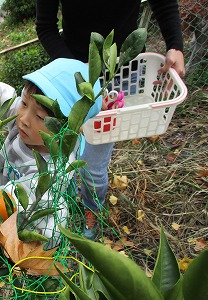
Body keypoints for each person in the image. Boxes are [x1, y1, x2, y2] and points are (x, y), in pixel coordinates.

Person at [36, 0, 186, 240]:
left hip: (122, 72)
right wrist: (76, 71)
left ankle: (91, 210)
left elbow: (164, 3)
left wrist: (175, 45)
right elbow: (45, 27)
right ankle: (62, 200)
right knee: (62, 150)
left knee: (93, 163)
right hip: (73, 72)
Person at [0, 58, 102, 248]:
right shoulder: (26, 122)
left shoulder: (52, 171)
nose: (24, 119)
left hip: (34, 231)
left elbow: (5, 201)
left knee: (21, 260)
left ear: (67, 130)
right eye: (24, 103)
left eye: (40, 117)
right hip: (9, 204)